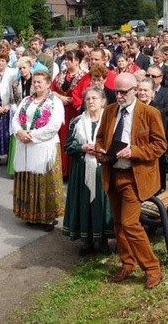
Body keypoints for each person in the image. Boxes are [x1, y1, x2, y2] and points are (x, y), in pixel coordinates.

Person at [94, 72, 167, 289]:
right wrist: (99, 151)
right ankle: (127, 263)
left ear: (135, 90)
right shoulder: (109, 112)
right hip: (112, 172)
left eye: (123, 92)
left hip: (134, 177)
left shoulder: (150, 113)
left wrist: (133, 151)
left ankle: (152, 268)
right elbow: (100, 138)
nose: (119, 95)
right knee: (118, 223)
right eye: (116, 91)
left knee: (129, 223)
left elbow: (160, 146)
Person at [62, 87, 114, 255]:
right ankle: (87, 241)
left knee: (102, 204)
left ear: (103, 101)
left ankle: (104, 240)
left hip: (103, 169)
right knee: (84, 203)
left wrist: (102, 149)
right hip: (81, 170)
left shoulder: (110, 120)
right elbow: (68, 147)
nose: (91, 101)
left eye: (95, 98)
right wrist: (82, 147)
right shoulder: (76, 122)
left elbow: (117, 143)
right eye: (88, 99)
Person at [12, 69, 64, 231]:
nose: (36, 84)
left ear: (48, 84)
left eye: (40, 81)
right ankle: (30, 215)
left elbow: (54, 125)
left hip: (44, 146)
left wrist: (32, 135)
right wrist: (19, 132)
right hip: (26, 145)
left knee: (43, 181)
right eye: (34, 81)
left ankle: (47, 218)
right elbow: (15, 118)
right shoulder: (26, 100)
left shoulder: (55, 101)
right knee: (28, 178)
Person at [51, 49, 86, 179]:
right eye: (66, 59)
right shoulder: (61, 75)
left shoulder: (84, 75)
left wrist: (70, 100)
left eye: (69, 59)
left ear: (77, 61)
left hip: (74, 111)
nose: (66, 62)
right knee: (60, 139)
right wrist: (60, 97)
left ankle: (71, 171)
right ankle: (61, 169)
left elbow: (83, 93)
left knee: (72, 138)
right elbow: (52, 89)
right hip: (60, 111)